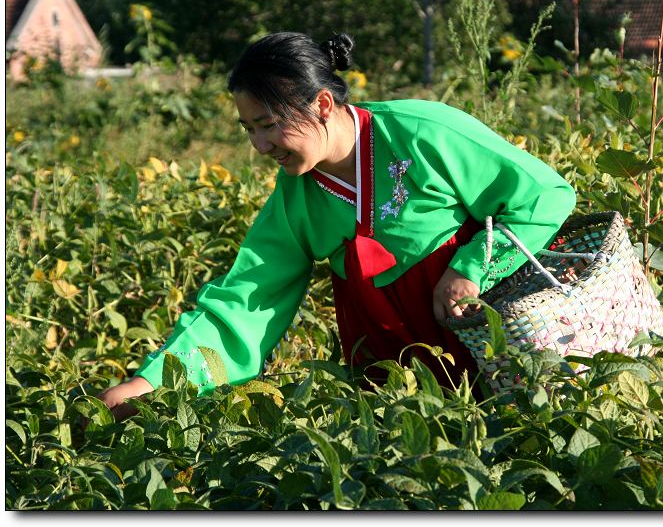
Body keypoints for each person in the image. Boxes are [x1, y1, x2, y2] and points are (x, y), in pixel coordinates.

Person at [97, 32, 576, 419]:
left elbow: (542, 197)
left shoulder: (425, 131)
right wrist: (152, 383)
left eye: (268, 124)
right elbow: (245, 302)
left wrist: (471, 269)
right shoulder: (296, 195)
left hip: (491, 359)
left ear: (322, 105)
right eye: (248, 129)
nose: (260, 146)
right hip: (392, 393)